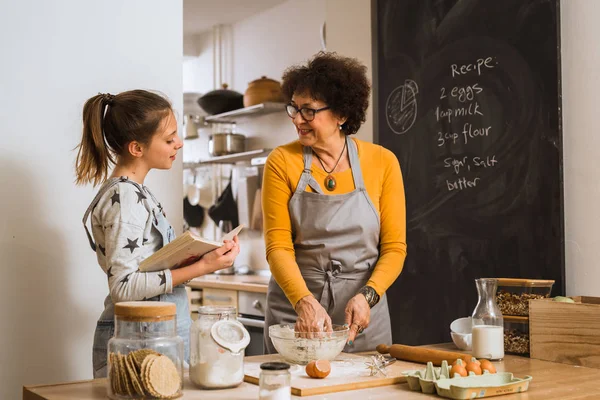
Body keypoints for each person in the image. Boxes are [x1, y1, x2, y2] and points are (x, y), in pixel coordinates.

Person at [75, 90, 240, 378]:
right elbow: (124, 287)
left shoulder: (137, 193)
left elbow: (147, 269)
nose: (179, 144)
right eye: (169, 138)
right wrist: (203, 266)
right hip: (138, 339)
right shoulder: (124, 198)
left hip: (153, 334)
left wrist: (199, 259)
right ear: (137, 148)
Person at [262, 52, 407, 353]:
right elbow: (278, 246)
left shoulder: (382, 162)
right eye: (294, 108)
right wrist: (304, 303)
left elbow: (394, 249)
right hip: (298, 315)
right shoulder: (281, 161)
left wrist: (368, 295)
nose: (298, 119)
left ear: (341, 114)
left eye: (309, 111)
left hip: (362, 316)